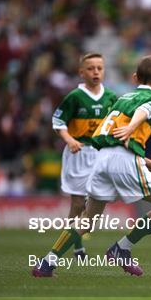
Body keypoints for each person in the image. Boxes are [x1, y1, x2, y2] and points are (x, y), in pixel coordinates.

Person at [32, 55, 151, 277]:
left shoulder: (121, 99)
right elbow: (144, 111)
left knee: (87, 221)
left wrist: (146, 160)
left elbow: (108, 136)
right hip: (123, 161)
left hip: (102, 160)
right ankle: (122, 248)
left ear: (135, 77)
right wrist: (131, 128)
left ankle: (47, 262)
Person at [51, 53, 117, 259]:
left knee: (95, 203)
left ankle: (73, 244)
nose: (96, 71)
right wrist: (69, 140)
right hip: (79, 153)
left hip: (101, 153)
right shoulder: (74, 97)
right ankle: (74, 247)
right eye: (91, 68)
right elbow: (58, 122)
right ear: (81, 72)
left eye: (99, 67)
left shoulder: (111, 98)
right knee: (78, 205)